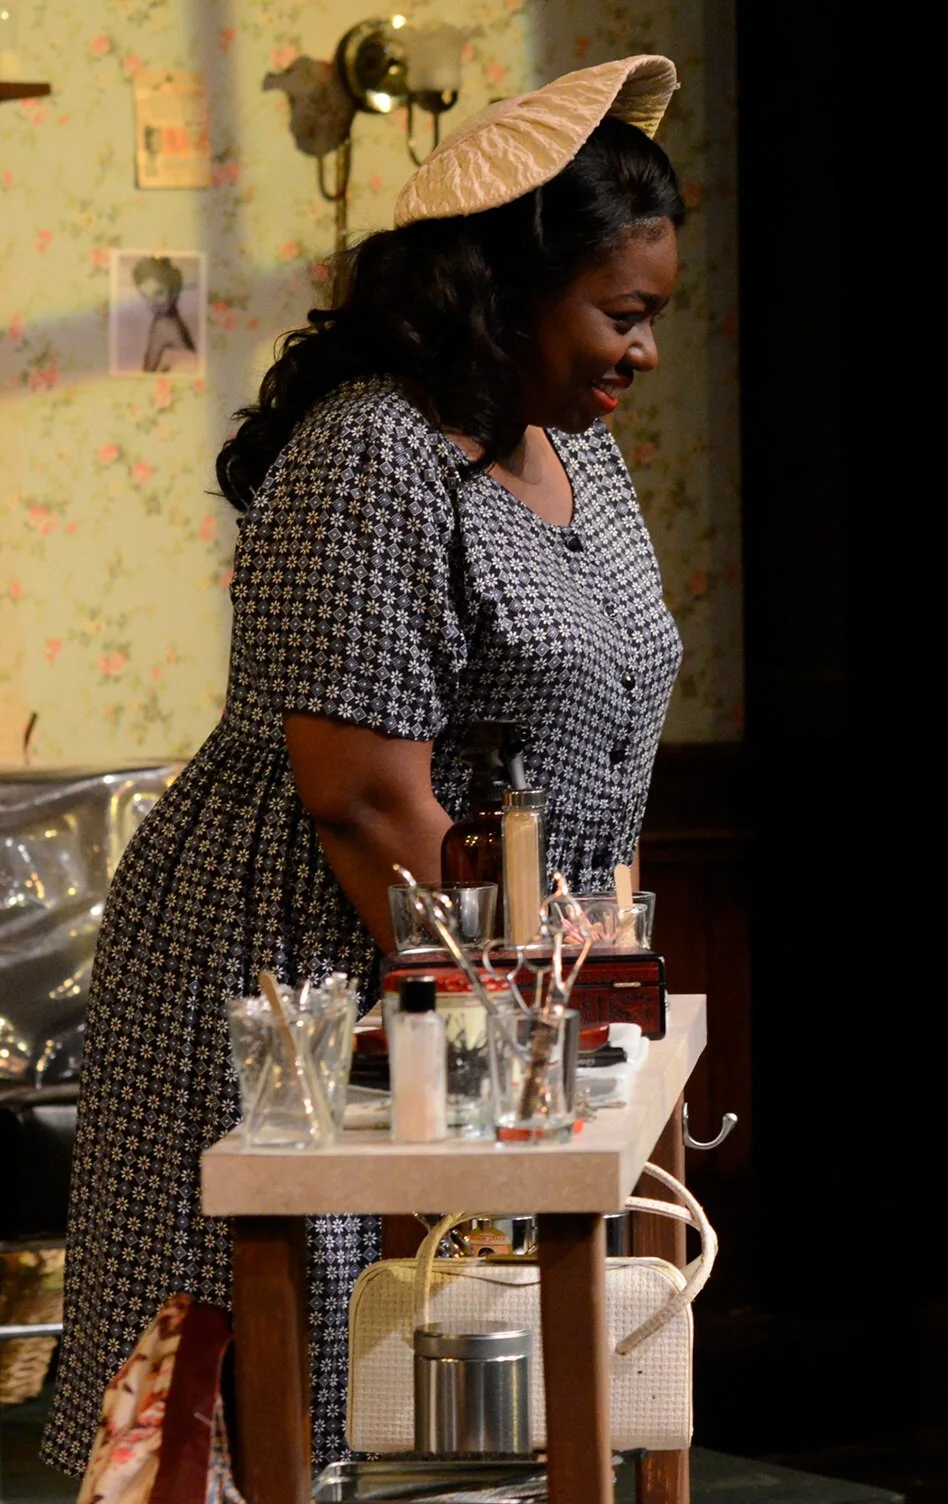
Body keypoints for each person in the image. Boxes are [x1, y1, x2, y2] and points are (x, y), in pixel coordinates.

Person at [44, 55, 690, 1474]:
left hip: (497, 973)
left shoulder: (576, 450)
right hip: (303, 965)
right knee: (282, 1392)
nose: (644, 355)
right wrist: (503, 1035)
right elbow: (364, 798)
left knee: (455, 1395)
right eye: (623, 318)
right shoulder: (372, 456)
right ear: (507, 286)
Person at [132, 256, 197, 374]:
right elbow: (147, 373)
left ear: (174, 290)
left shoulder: (166, 324)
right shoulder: (161, 325)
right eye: (146, 297)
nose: (153, 303)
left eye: (159, 293)